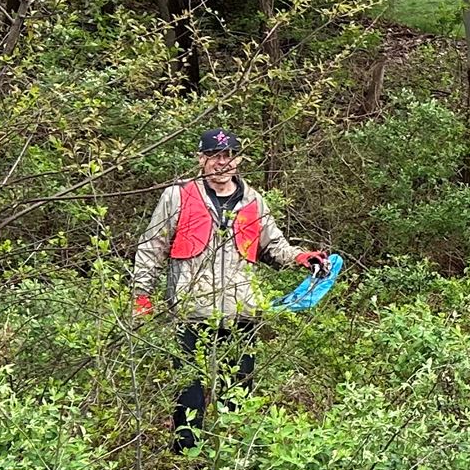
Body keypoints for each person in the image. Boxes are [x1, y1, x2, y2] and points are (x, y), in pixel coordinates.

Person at [130, 128, 326, 450]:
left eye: (229, 155)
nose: (223, 163)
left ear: (238, 159)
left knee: (238, 391)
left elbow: (274, 246)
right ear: (201, 159)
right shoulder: (178, 196)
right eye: (215, 156)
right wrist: (142, 295)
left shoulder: (253, 200)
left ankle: (230, 460)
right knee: (188, 394)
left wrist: (302, 257)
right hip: (190, 312)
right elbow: (152, 247)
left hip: (241, 313)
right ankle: (187, 458)